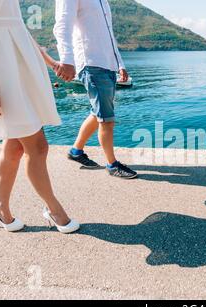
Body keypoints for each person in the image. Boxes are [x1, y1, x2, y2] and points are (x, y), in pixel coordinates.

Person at [0, 0, 79, 234]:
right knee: (38, 146)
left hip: (22, 59)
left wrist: (50, 62)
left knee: (15, 144)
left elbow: (17, 24)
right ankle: (55, 210)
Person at [54, 0, 138, 179]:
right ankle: (112, 165)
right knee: (107, 119)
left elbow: (109, 35)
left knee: (98, 113)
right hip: (92, 63)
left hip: (108, 65)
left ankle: (76, 151)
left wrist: (120, 64)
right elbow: (62, 25)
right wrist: (66, 60)